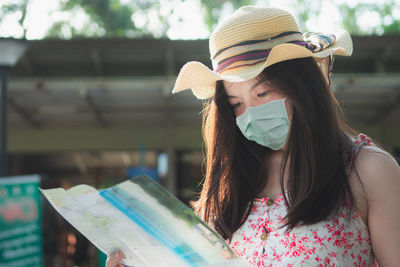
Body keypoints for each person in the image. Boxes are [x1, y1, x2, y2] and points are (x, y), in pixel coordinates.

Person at [107, 6, 400, 267]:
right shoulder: (233, 181)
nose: (251, 113)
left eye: (263, 92)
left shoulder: (368, 171)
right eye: (236, 104)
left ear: (304, 86)